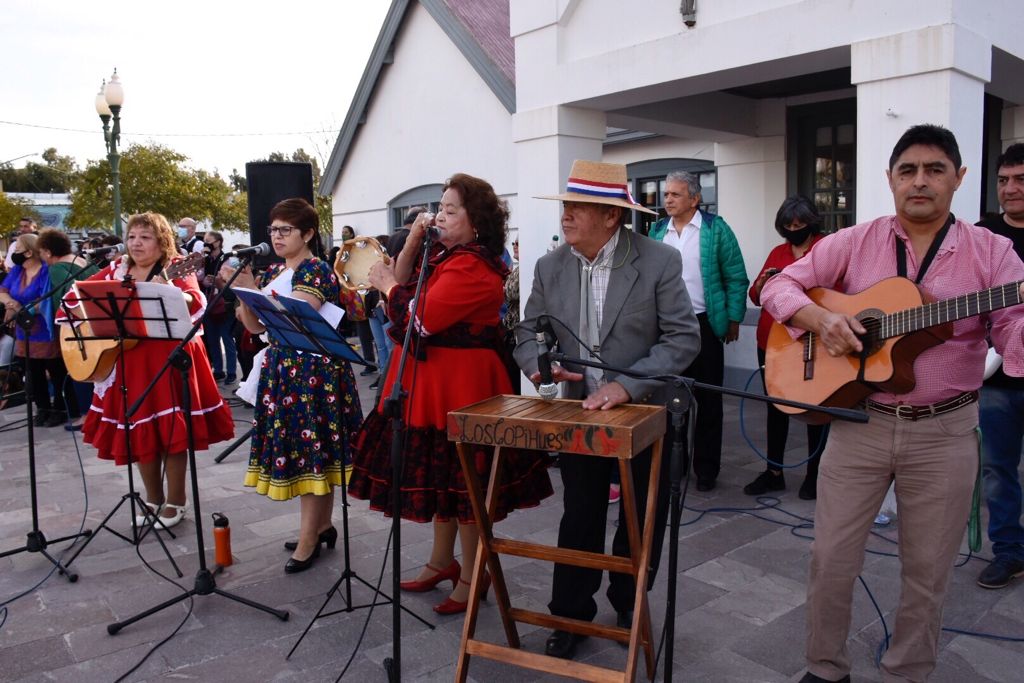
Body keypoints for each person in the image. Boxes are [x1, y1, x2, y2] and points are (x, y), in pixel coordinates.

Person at [760, 124, 1024, 683]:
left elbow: (1014, 339)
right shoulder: (855, 241)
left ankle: (906, 673)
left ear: (959, 178)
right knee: (830, 558)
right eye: (908, 170)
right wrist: (821, 319)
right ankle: (825, 667)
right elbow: (778, 286)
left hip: (946, 433)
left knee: (927, 574)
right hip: (861, 425)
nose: (920, 181)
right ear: (889, 180)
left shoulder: (994, 254)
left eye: (934, 170)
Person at [515, 159, 700, 660]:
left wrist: (625, 384)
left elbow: (684, 338)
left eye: (577, 208)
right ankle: (571, 615)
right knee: (580, 514)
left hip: (643, 414)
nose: (566, 216)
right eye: (565, 206)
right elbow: (527, 331)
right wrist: (541, 366)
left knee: (642, 516)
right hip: (579, 415)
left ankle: (629, 599)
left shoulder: (658, 260)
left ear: (612, 217)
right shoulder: (549, 266)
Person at [348, 173, 553, 614]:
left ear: (475, 220)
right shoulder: (444, 256)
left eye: (450, 209)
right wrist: (413, 240)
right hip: (432, 383)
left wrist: (386, 286)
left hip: (464, 385)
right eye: (439, 207)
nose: (440, 215)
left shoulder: (475, 266)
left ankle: (473, 573)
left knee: (465, 487)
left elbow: (419, 317)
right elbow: (402, 279)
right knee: (443, 479)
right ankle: (441, 562)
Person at [59, 212, 235, 528]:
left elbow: (194, 301)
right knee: (140, 430)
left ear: (162, 241)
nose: (137, 243)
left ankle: (177, 502)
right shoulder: (116, 268)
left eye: (145, 237)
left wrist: (169, 291)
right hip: (129, 361)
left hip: (168, 358)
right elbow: (77, 296)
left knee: (171, 432)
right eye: (132, 237)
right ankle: (152, 499)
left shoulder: (176, 266)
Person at [226, 198, 363, 574]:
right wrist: (245, 294)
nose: (277, 236)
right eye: (273, 229)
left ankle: (310, 538)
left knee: (313, 453)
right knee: (311, 452)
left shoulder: (316, 270)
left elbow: (296, 315)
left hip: (314, 373)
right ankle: (320, 526)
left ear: (308, 233)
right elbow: (255, 328)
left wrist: (254, 290)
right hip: (286, 371)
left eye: (286, 230)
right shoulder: (276, 270)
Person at [648, 171, 748, 491]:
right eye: (666, 194)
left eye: (676, 195)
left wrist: (733, 319)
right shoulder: (656, 230)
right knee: (668, 400)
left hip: (704, 324)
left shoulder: (716, 230)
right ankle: (671, 464)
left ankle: (706, 469)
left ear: (695, 199)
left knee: (708, 400)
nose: (668, 200)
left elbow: (736, 277)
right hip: (666, 329)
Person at [744, 196, 828, 500]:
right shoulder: (777, 252)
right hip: (772, 342)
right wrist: (764, 283)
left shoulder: (825, 247)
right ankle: (774, 471)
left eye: (799, 225)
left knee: (814, 408)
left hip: (810, 340)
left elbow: (835, 290)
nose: (794, 230)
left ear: (812, 223)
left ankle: (814, 474)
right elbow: (755, 295)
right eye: (788, 225)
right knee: (774, 407)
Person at [975, 142, 1024, 589]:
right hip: (997, 379)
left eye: (1021, 179)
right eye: (1004, 180)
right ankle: (1009, 551)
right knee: (998, 469)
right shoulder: (981, 235)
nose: (1011, 189)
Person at [0, 234, 69, 427]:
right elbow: (2, 291)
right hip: (25, 330)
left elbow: (48, 300)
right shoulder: (17, 271)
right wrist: (11, 304)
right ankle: (43, 408)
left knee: (55, 371)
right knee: (33, 372)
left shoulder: (47, 271)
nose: (14, 253)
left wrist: (22, 308)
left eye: (18, 249)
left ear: (30, 251)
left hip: (45, 328)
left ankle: (60, 409)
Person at [36, 228, 99, 431]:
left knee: (79, 371)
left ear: (47, 251)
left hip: (76, 326)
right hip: (94, 322)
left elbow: (68, 298)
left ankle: (86, 415)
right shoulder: (82, 261)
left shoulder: (57, 268)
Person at [200, 230, 238, 384]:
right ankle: (218, 369)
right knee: (212, 338)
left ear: (218, 242)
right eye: (204, 241)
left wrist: (218, 280)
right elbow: (200, 277)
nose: (206, 244)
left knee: (226, 337)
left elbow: (230, 280)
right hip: (210, 302)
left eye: (209, 241)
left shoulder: (228, 258)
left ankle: (231, 372)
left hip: (224, 304)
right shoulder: (206, 260)